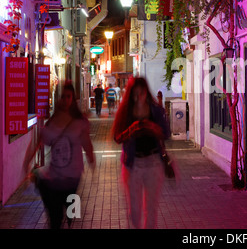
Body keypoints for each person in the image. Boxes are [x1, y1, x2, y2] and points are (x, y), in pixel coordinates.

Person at [24, 81, 95, 229]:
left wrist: (91, 158)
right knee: (55, 219)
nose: (65, 100)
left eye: (68, 96)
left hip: (72, 179)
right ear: (57, 98)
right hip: (53, 181)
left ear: (73, 97)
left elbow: (87, 143)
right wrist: (26, 164)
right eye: (62, 96)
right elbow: (36, 143)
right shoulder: (51, 123)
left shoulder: (80, 122)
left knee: (72, 216)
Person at [112, 77, 171, 229]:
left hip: (153, 162)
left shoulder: (155, 110)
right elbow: (117, 137)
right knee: (134, 209)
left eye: (142, 93)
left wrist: (151, 127)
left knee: (151, 208)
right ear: (131, 95)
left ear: (146, 92)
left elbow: (166, 133)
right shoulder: (126, 112)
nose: (139, 97)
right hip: (133, 164)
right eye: (135, 94)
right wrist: (132, 129)